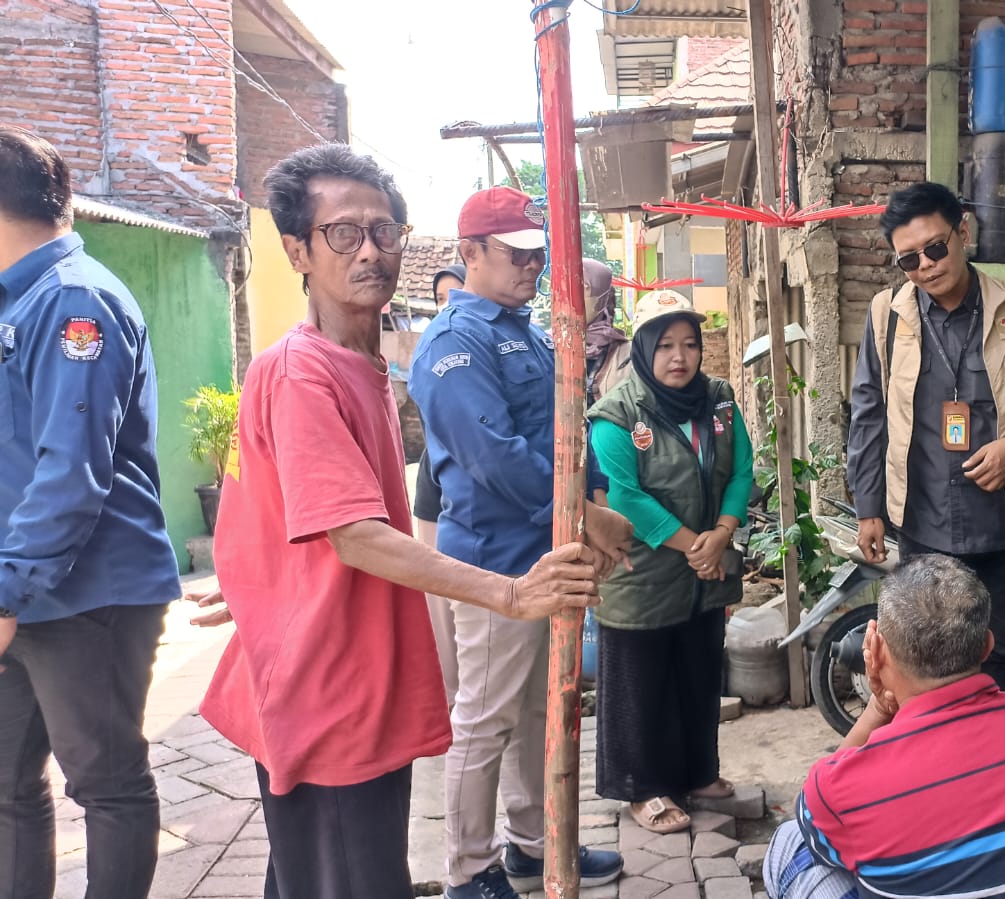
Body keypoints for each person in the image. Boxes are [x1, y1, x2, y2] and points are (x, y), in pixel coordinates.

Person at [197, 147, 627, 899]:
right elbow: (355, 530)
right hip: (332, 694)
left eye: (384, 230)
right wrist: (513, 593)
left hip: (352, 676)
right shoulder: (305, 371)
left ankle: (515, 847)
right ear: (296, 249)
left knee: (318, 872)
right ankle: (475, 865)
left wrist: (260, 582)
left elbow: (268, 510)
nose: (370, 250)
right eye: (342, 233)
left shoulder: (357, 364)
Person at [409, 185, 627, 897]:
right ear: (468, 252)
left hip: (544, 550)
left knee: (539, 708)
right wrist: (582, 515)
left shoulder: (519, 327)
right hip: (497, 561)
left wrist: (590, 496)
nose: (532, 266)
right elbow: (493, 456)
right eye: (516, 254)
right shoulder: (455, 341)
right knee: (486, 716)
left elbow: (568, 419)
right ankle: (469, 867)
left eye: (538, 254)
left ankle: (533, 846)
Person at [0, 125, 182, 899]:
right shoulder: (24, 300)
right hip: (23, 591)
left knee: (106, 785)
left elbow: (70, 472)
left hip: (89, 594)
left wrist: (7, 593)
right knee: (7, 786)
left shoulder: (75, 301)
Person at [848, 181, 1005, 691]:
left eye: (936, 247)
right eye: (909, 260)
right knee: (931, 670)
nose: (927, 266)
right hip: (924, 524)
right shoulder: (885, 317)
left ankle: (994, 764)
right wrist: (868, 507)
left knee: (1001, 659)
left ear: (963, 232)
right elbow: (868, 414)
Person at [766, 555, 1005, 899]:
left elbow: (812, 817)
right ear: (987, 646)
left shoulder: (840, 786)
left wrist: (877, 709)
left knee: (790, 842)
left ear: (878, 650)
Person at [587, 289, 754, 835]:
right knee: (642, 681)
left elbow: (741, 472)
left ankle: (698, 773)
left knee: (699, 672)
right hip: (643, 573)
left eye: (689, 344)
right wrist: (696, 546)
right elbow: (625, 494)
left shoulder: (721, 399)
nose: (679, 357)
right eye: (665, 346)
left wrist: (722, 533)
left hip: (706, 572)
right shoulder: (616, 413)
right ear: (642, 350)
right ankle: (644, 787)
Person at [415, 262, 467, 704]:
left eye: (456, 295)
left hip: (468, 497)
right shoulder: (433, 351)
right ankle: (449, 693)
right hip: (432, 492)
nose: (445, 307)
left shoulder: (478, 352)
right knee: (438, 598)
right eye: (438, 299)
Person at [583, 258, 629, 404]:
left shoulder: (628, 353)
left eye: (583, 285)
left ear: (602, 296)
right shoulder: (547, 345)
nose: (570, 293)